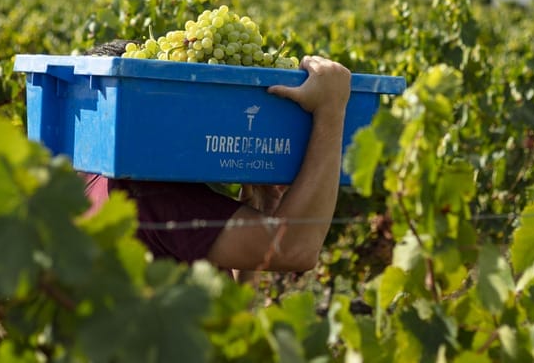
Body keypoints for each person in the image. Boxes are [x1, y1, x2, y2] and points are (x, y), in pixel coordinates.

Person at [82, 40, 352, 274]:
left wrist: (258, 226)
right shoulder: (153, 196)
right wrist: (330, 109)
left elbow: (233, 313)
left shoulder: (90, 187)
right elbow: (296, 248)